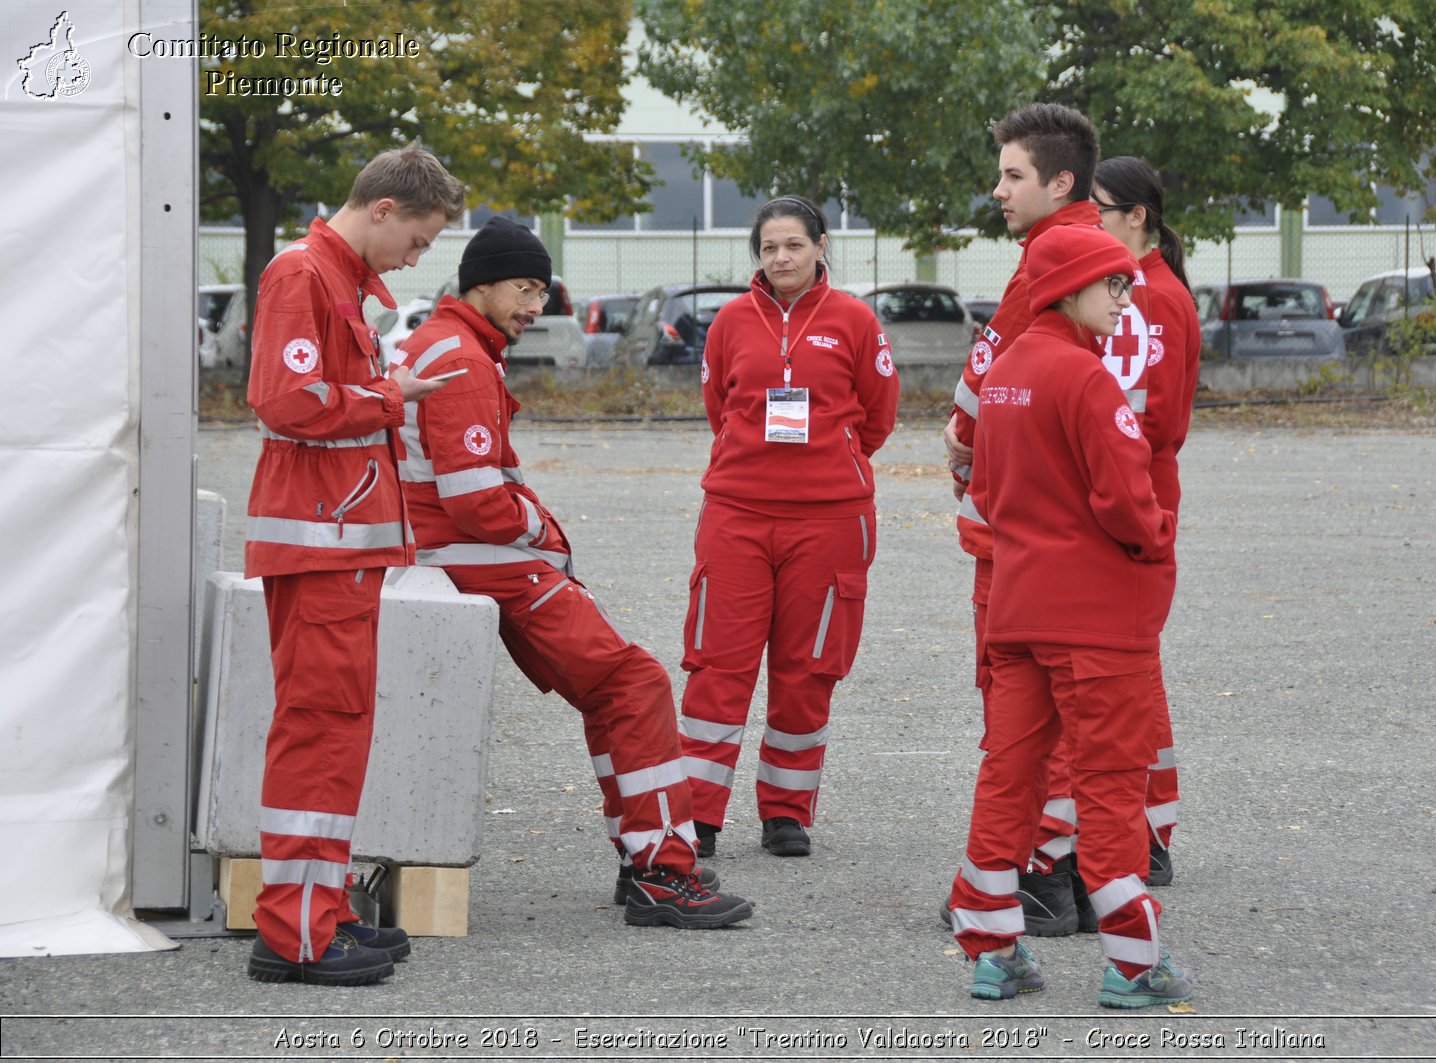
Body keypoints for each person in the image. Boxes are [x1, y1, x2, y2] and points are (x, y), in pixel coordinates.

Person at [395, 216, 752, 930]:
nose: (537, 306)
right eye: (525, 289)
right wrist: (545, 533)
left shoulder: (448, 344)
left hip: (457, 565)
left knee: (610, 689)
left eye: (542, 290)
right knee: (633, 681)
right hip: (488, 566)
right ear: (482, 284)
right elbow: (475, 500)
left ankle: (646, 856)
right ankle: (660, 871)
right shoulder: (460, 356)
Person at [947, 223, 1195, 1009]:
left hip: (1019, 608)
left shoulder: (1007, 373)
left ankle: (993, 949)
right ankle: (1133, 963)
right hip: (1093, 618)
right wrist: (1157, 541)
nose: (1126, 299)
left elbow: (983, 487)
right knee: (1111, 781)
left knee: (1009, 775)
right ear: (1071, 289)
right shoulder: (1088, 380)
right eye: (1114, 284)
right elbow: (1127, 502)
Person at [243, 143, 466, 985]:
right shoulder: (302, 274)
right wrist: (388, 397)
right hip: (321, 544)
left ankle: (320, 909)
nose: (418, 258)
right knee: (319, 731)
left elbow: (318, 394)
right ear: (382, 209)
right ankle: (297, 932)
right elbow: (287, 400)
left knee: (336, 732)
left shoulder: (335, 279)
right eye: (417, 239)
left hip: (335, 543)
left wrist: (379, 387)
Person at [677, 195, 900, 858]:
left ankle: (786, 811)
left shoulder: (856, 321)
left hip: (829, 520)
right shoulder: (730, 323)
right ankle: (701, 815)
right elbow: (721, 407)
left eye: (793, 246)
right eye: (769, 248)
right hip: (738, 515)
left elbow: (878, 417)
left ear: (821, 245)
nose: (780, 258)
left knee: (808, 668)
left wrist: (832, 461)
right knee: (717, 666)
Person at [940, 102, 1104, 936]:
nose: (998, 190)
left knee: (1023, 706)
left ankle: (1035, 870)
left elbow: (995, 378)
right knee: (1070, 702)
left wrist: (962, 443)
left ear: (1060, 182)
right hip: (1068, 520)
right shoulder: (1105, 258)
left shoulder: (1052, 262)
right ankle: (1060, 864)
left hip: (1024, 524)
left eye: (1013, 175)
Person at [1090, 156, 1202, 885]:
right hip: (1118, 492)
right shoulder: (1125, 290)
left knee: (1130, 678)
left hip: (1130, 499)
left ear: (1137, 216)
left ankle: (1148, 828)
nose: (1086, 223)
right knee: (1132, 674)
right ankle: (1147, 821)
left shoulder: (1150, 299)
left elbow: (1150, 417)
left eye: (1096, 208)